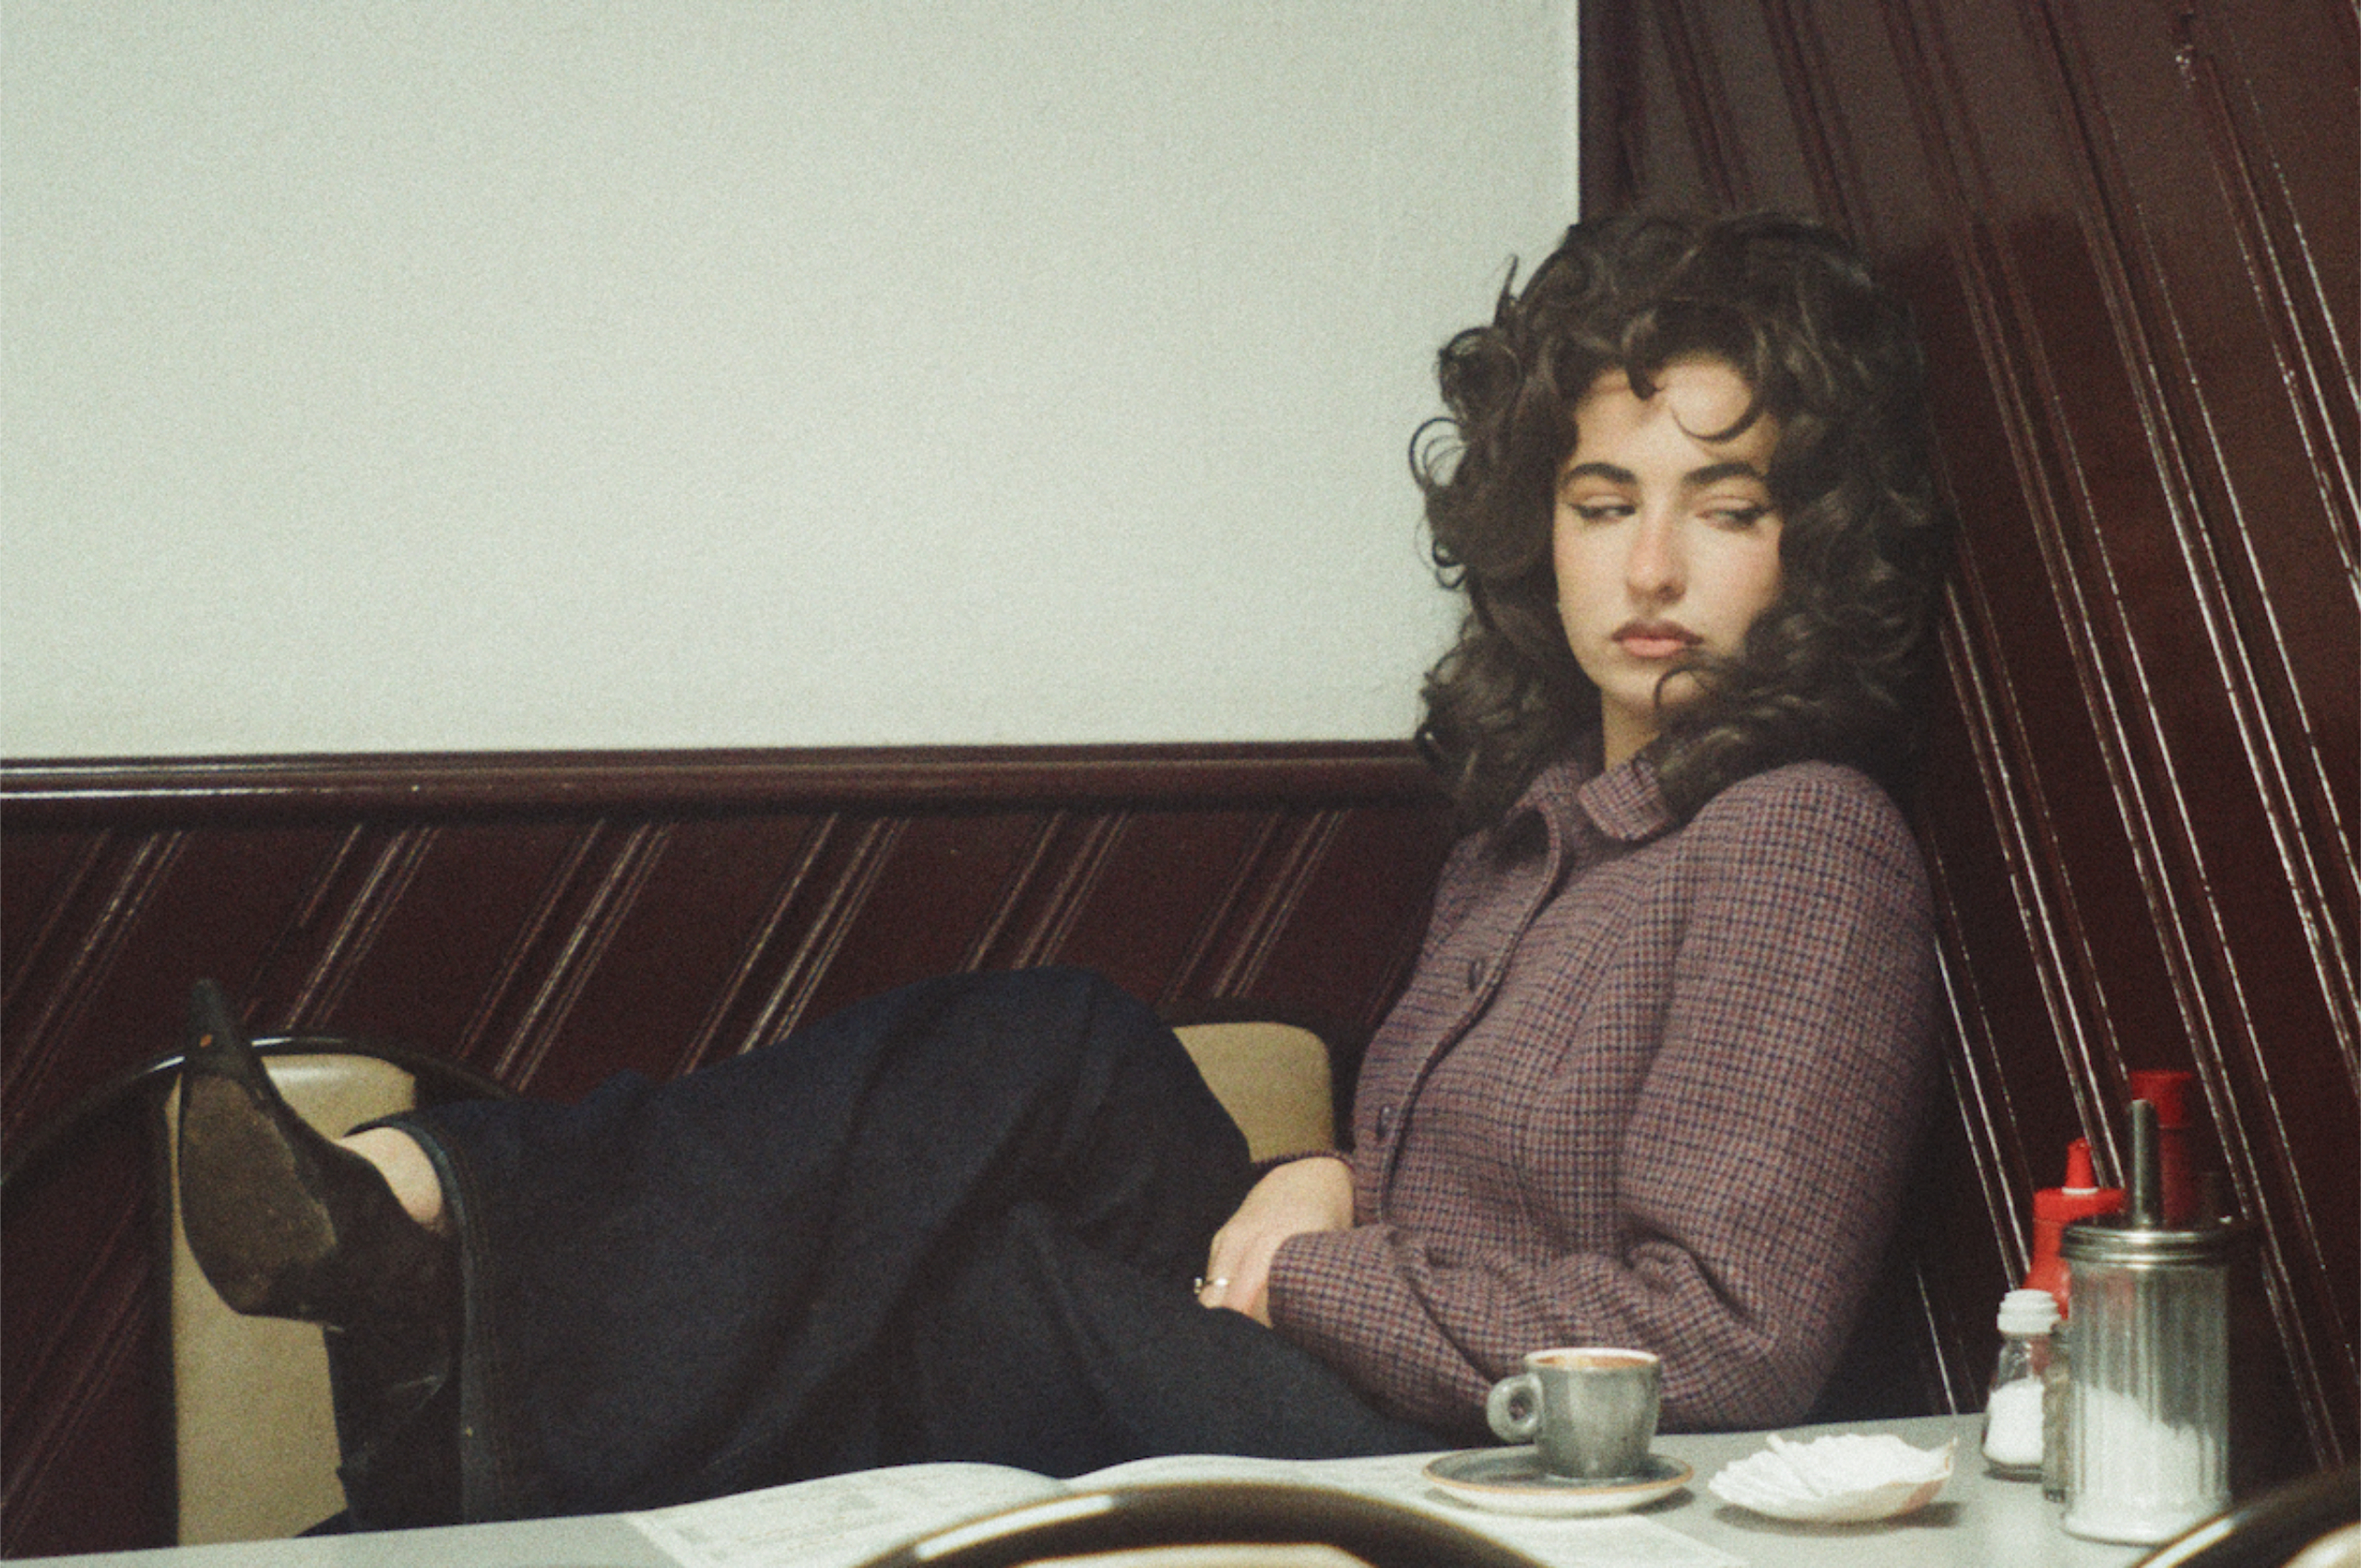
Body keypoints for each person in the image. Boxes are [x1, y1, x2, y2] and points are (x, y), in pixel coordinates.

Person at [173, 210, 1952, 1532]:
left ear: (1813, 544)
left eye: (1723, 507)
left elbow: (1726, 1348)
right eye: (1599, 499)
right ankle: (421, 1214)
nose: (1649, 562)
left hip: (1523, 1467)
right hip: (1386, 1347)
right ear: (1533, 531)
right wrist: (1325, 1180)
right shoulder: (1541, 820)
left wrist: (1306, 1272)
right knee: (1055, 1040)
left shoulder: (1799, 837)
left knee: (977, 1296)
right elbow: (1475, 1188)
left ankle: (426, 1444)